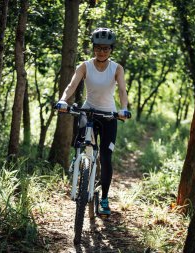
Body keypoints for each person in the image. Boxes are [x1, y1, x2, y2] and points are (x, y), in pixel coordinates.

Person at [56, 27, 130, 216]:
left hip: (109, 116)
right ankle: (79, 160)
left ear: (111, 49)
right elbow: (72, 85)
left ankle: (104, 199)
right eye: (98, 48)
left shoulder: (116, 68)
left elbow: (122, 90)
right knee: (81, 141)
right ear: (94, 48)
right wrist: (64, 100)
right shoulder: (85, 66)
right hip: (88, 112)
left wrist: (123, 109)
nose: (101, 51)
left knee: (105, 157)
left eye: (105, 48)